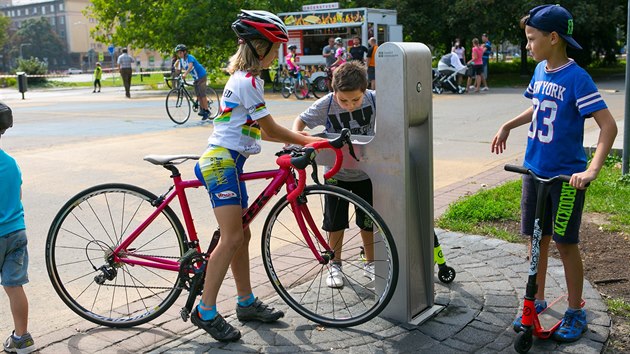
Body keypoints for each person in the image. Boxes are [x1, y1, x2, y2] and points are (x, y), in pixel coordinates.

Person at [191, 10, 324, 342]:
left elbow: (260, 134)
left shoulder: (250, 81)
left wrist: (303, 141)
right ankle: (205, 311)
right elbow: (270, 128)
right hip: (220, 163)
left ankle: (246, 302)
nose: (278, 55)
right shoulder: (246, 81)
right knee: (232, 238)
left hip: (231, 164)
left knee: (243, 236)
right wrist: (314, 140)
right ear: (259, 47)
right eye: (276, 48)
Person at [491, 4, 618, 343]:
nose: (527, 45)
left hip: (565, 179)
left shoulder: (577, 78)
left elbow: (608, 126)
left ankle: (576, 309)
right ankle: (536, 299)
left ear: (553, 37)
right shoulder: (541, 71)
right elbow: (537, 107)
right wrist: (508, 125)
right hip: (535, 172)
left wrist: (591, 169)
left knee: (565, 243)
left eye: (532, 39)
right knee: (537, 241)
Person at [292, 61, 376, 288]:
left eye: (355, 100)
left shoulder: (374, 99)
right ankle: (335, 265)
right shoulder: (327, 103)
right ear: (334, 91)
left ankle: (371, 263)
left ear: (365, 91)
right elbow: (301, 119)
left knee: (368, 222)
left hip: (366, 173)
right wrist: (298, 133)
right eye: (344, 100)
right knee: (334, 221)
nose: (350, 105)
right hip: (335, 173)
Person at [1, 102, 36, 354]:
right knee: (14, 286)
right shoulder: (11, 164)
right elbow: (19, 196)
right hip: (16, 233)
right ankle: (21, 339)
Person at [175, 44, 211, 120]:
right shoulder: (181, 60)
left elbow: (190, 66)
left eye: (180, 52)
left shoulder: (190, 57)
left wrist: (185, 74)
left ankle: (207, 110)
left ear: (184, 52)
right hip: (196, 78)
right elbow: (178, 71)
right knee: (198, 95)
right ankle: (203, 109)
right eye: (178, 53)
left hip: (201, 76)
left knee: (202, 94)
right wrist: (176, 66)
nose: (179, 54)